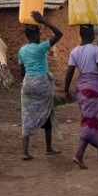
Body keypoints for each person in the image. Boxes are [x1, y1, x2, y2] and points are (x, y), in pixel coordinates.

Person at [64, 24, 98, 169]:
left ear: (80, 35)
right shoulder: (95, 50)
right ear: (92, 36)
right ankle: (79, 154)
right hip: (94, 87)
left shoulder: (74, 51)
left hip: (81, 88)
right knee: (90, 120)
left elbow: (69, 72)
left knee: (94, 117)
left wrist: (66, 90)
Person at [18, 10, 63, 160]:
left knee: (26, 115)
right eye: (39, 33)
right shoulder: (41, 47)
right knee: (48, 113)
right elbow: (59, 34)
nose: (41, 36)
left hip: (28, 84)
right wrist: (43, 21)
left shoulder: (22, 50)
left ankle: (25, 152)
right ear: (36, 35)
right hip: (42, 83)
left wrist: (30, 80)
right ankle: (49, 148)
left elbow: (21, 71)